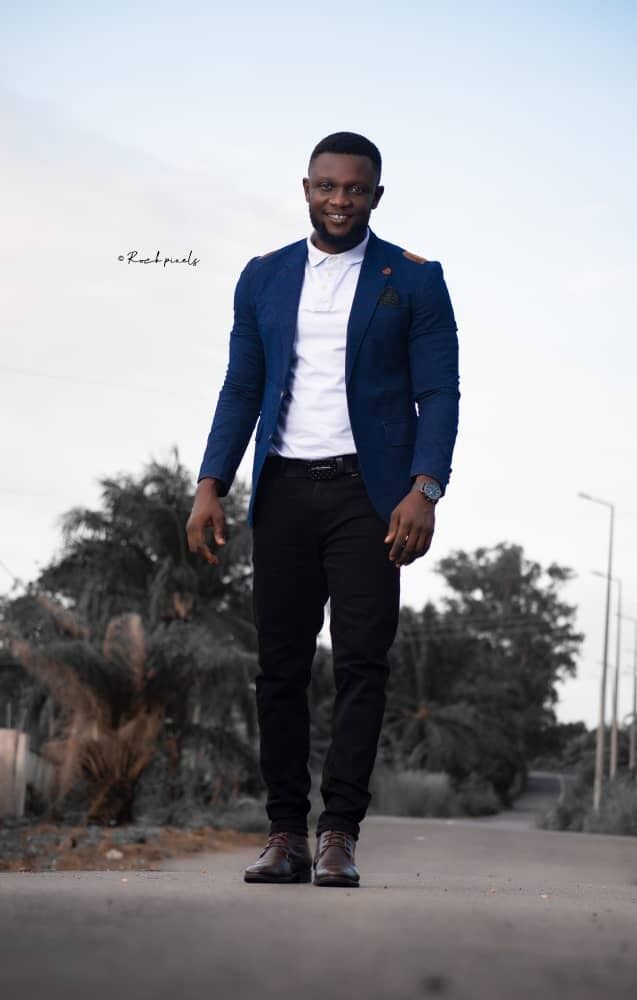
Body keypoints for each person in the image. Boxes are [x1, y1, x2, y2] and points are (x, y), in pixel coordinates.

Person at [186, 131, 459, 888]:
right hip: (282, 489)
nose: (340, 200)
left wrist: (425, 488)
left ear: (376, 196)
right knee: (279, 669)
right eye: (327, 186)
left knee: (362, 663)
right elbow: (242, 385)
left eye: (355, 189)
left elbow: (438, 392)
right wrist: (211, 482)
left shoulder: (415, 279)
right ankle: (284, 833)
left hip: (369, 497)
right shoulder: (264, 276)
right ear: (305, 188)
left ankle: (338, 832)